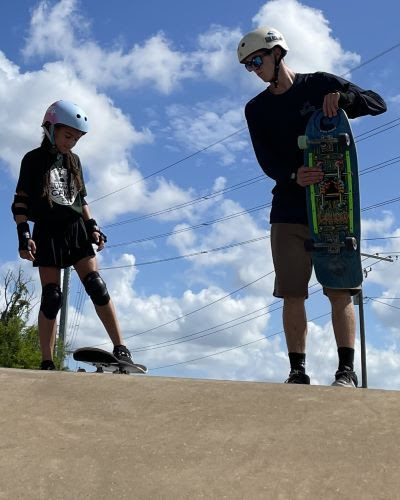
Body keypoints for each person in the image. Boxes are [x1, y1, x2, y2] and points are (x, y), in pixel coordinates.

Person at [237, 27, 387, 387]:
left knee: (340, 288)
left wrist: (345, 98)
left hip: (333, 204)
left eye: (257, 60)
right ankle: (297, 372)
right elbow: (266, 161)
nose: (254, 69)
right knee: (292, 291)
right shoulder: (256, 109)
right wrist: (293, 174)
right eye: (247, 66)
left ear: (278, 54)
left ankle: (346, 371)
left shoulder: (319, 83)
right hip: (288, 209)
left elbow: (378, 103)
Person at [12, 100, 138, 370]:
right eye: (68, 135)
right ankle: (47, 361)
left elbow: (81, 198)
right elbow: (20, 203)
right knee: (52, 296)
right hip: (46, 230)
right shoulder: (32, 160)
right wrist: (24, 236)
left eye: (77, 138)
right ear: (50, 128)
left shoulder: (74, 161)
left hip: (75, 229)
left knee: (96, 284)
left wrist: (92, 226)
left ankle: (121, 348)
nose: (72, 142)